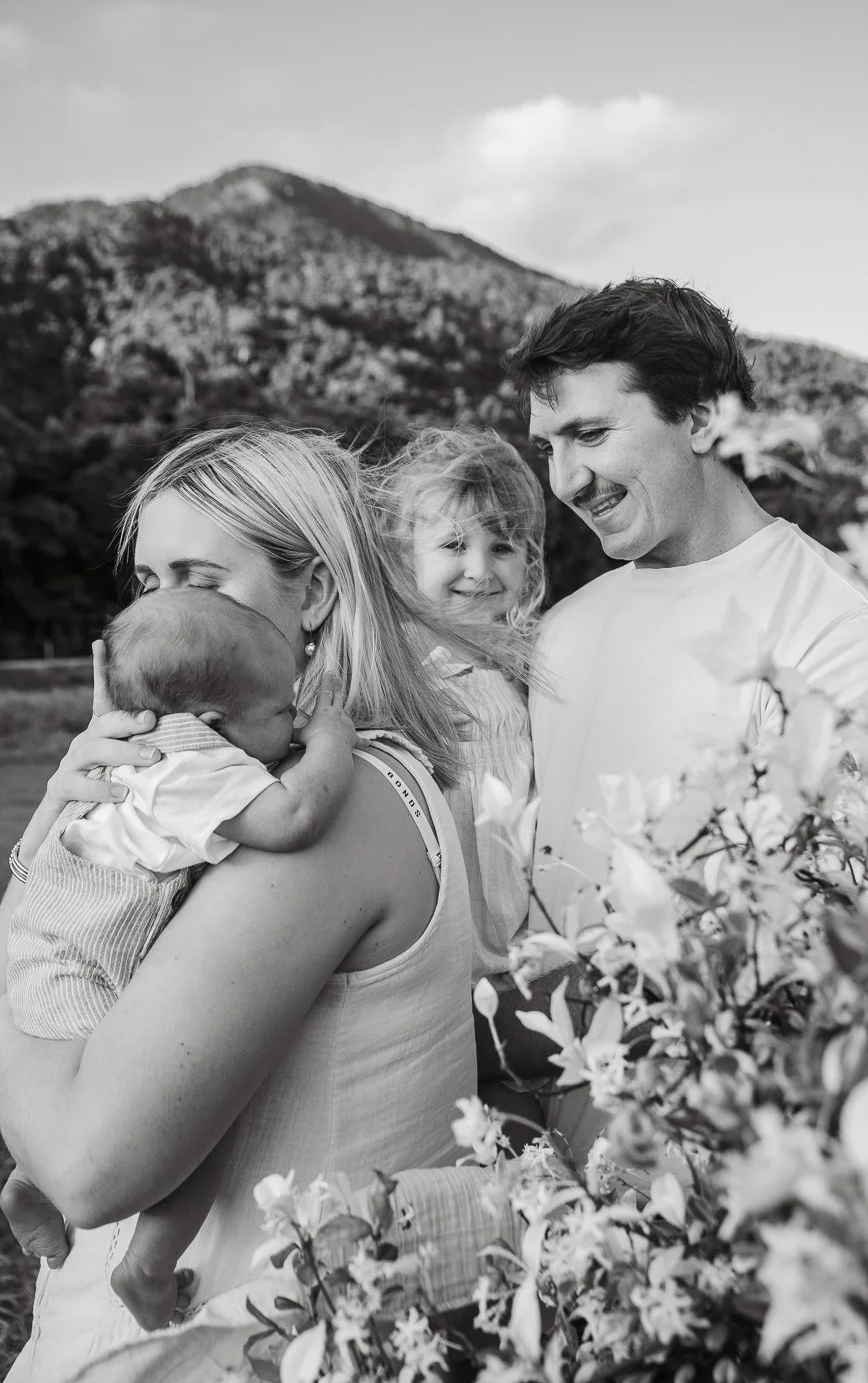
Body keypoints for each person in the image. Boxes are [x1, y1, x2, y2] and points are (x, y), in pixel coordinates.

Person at [0, 423, 522, 1381]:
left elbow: (85, 1164)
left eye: (201, 579)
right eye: (148, 584)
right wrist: (64, 832)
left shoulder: (339, 798)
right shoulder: (259, 778)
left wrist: (27, 898)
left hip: (231, 1340)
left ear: (317, 592)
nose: (167, 614)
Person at [503, 277, 868, 1159]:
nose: (567, 480)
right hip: (530, 1120)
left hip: (716, 1148)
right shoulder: (563, 628)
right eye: (549, 446)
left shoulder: (837, 630)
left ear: (701, 420)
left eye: (591, 434)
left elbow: (860, 941)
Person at [1, 586, 358, 1330]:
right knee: (183, 1110)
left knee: (74, 1090)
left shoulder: (144, 743)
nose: (294, 719)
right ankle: (151, 1262)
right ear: (218, 725)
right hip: (87, 953)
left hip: (51, 934)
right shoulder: (197, 761)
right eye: (283, 708)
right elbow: (291, 818)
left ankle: (29, 1184)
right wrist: (334, 739)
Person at [376, 426, 544, 984]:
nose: (479, 569)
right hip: (437, 939)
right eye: (453, 546)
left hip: (516, 928)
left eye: (502, 547)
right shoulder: (398, 666)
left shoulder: (526, 666)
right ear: (404, 559)